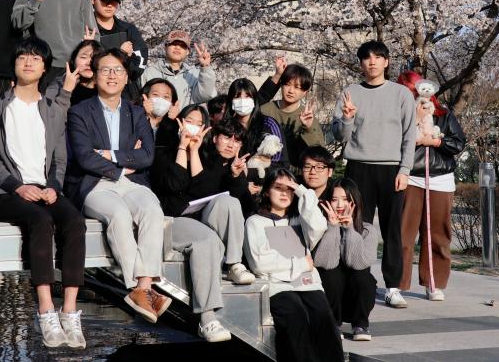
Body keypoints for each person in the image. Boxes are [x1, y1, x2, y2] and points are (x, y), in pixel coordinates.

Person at [0, 37, 87, 349]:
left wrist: (54, 187)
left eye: (36, 58)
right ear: (14, 65)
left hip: (45, 188)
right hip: (4, 191)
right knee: (40, 221)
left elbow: (59, 159)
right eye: (23, 57)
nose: (28, 62)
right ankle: (45, 309)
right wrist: (18, 187)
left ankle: (70, 311)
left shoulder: (52, 110)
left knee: (75, 222)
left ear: (44, 68)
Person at [64, 48, 171, 324]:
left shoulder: (137, 114)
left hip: (130, 182)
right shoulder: (79, 112)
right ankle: (142, 288)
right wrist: (123, 162)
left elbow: (146, 156)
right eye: (105, 70)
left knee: (152, 210)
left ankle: (143, 288)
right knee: (119, 214)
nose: (111, 76)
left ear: (126, 78)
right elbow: (84, 156)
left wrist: (109, 155)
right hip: (94, 183)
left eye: (118, 70)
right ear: (95, 75)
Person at [332, 40, 415, 308]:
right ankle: (359, 279)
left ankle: (393, 286)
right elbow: (339, 136)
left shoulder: (401, 94)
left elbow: (410, 135)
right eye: (367, 57)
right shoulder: (350, 92)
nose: (372, 62)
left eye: (378, 57)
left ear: (386, 62)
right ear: (361, 63)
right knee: (357, 226)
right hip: (359, 166)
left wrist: (405, 170)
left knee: (392, 229)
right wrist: (347, 118)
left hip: (392, 169)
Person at [244, 166, 343, 362]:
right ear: (266, 191)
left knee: (324, 318)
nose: (284, 193)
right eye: (278, 187)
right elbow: (260, 263)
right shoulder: (255, 222)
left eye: (289, 189)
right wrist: (300, 264)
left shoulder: (299, 219)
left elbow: (319, 226)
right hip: (276, 286)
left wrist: (302, 190)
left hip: (307, 283)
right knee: (295, 317)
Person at [150, 111, 256, 285]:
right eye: (227, 137)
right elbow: (199, 189)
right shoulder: (202, 156)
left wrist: (236, 176)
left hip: (210, 223)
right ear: (214, 138)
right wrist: (192, 150)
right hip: (182, 220)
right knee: (211, 236)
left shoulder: (234, 166)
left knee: (230, 202)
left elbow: (242, 203)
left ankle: (234, 264)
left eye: (237, 141)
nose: (231, 144)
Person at [396, 70, 467, 303]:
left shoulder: (444, 114)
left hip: (440, 179)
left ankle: (433, 282)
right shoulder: (399, 114)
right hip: (410, 177)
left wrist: (435, 141)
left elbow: (458, 143)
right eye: (408, 91)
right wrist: (415, 120)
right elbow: (393, 141)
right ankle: (397, 283)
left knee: (438, 234)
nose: (414, 94)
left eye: (415, 89)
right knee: (404, 233)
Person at [313, 177, 378, 341]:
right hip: (331, 299)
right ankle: (333, 324)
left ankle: (361, 325)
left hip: (354, 300)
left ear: (355, 201)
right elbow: (325, 263)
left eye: (346, 199)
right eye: (335, 199)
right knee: (330, 274)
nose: (340, 205)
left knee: (364, 277)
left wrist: (349, 230)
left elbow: (358, 264)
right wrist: (333, 228)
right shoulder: (321, 227)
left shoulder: (368, 230)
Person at [91, 0, 148, 100]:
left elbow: (137, 68)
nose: (110, 5)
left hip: (127, 96)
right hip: (92, 94)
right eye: (105, 0)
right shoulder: (85, 29)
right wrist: (122, 54)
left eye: (114, 2)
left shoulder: (128, 30)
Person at [259, 63, 326, 159]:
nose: (291, 91)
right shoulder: (265, 110)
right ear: (281, 85)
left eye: (297, 87)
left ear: (305, 92)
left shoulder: (307, 117)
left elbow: (319, 152)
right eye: (287, 84)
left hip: (295, 167)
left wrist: (308, 129)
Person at [140, 29, 216, 107]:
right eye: (173, 44)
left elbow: (206, 95)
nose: (177, 47)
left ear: (187, 51)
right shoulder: (149, 73)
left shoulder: (194, 74)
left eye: (183, 46)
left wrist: (205, 67)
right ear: (166, 47)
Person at [45, 39, 105, 107]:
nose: (88, 63)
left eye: (94, 58)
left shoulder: (108, 86)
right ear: (74, 60)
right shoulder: (59, 84)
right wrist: (66, 90)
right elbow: (49, 111)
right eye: (83, 57)